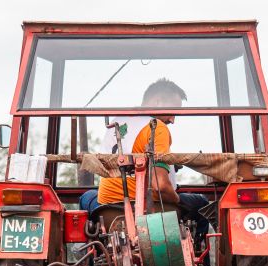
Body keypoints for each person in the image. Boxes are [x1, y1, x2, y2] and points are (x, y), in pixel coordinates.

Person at [79, 78, 209, 235]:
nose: (172, 120)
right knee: (202, 204)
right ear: (158, 101)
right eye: (173, 111)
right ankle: (203, 257)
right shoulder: (156, 127)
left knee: (86, 197)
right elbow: (160, 186)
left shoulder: (117, 122)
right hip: (147, 207)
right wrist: (177, 199)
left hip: (107, 209)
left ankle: (91, 255)